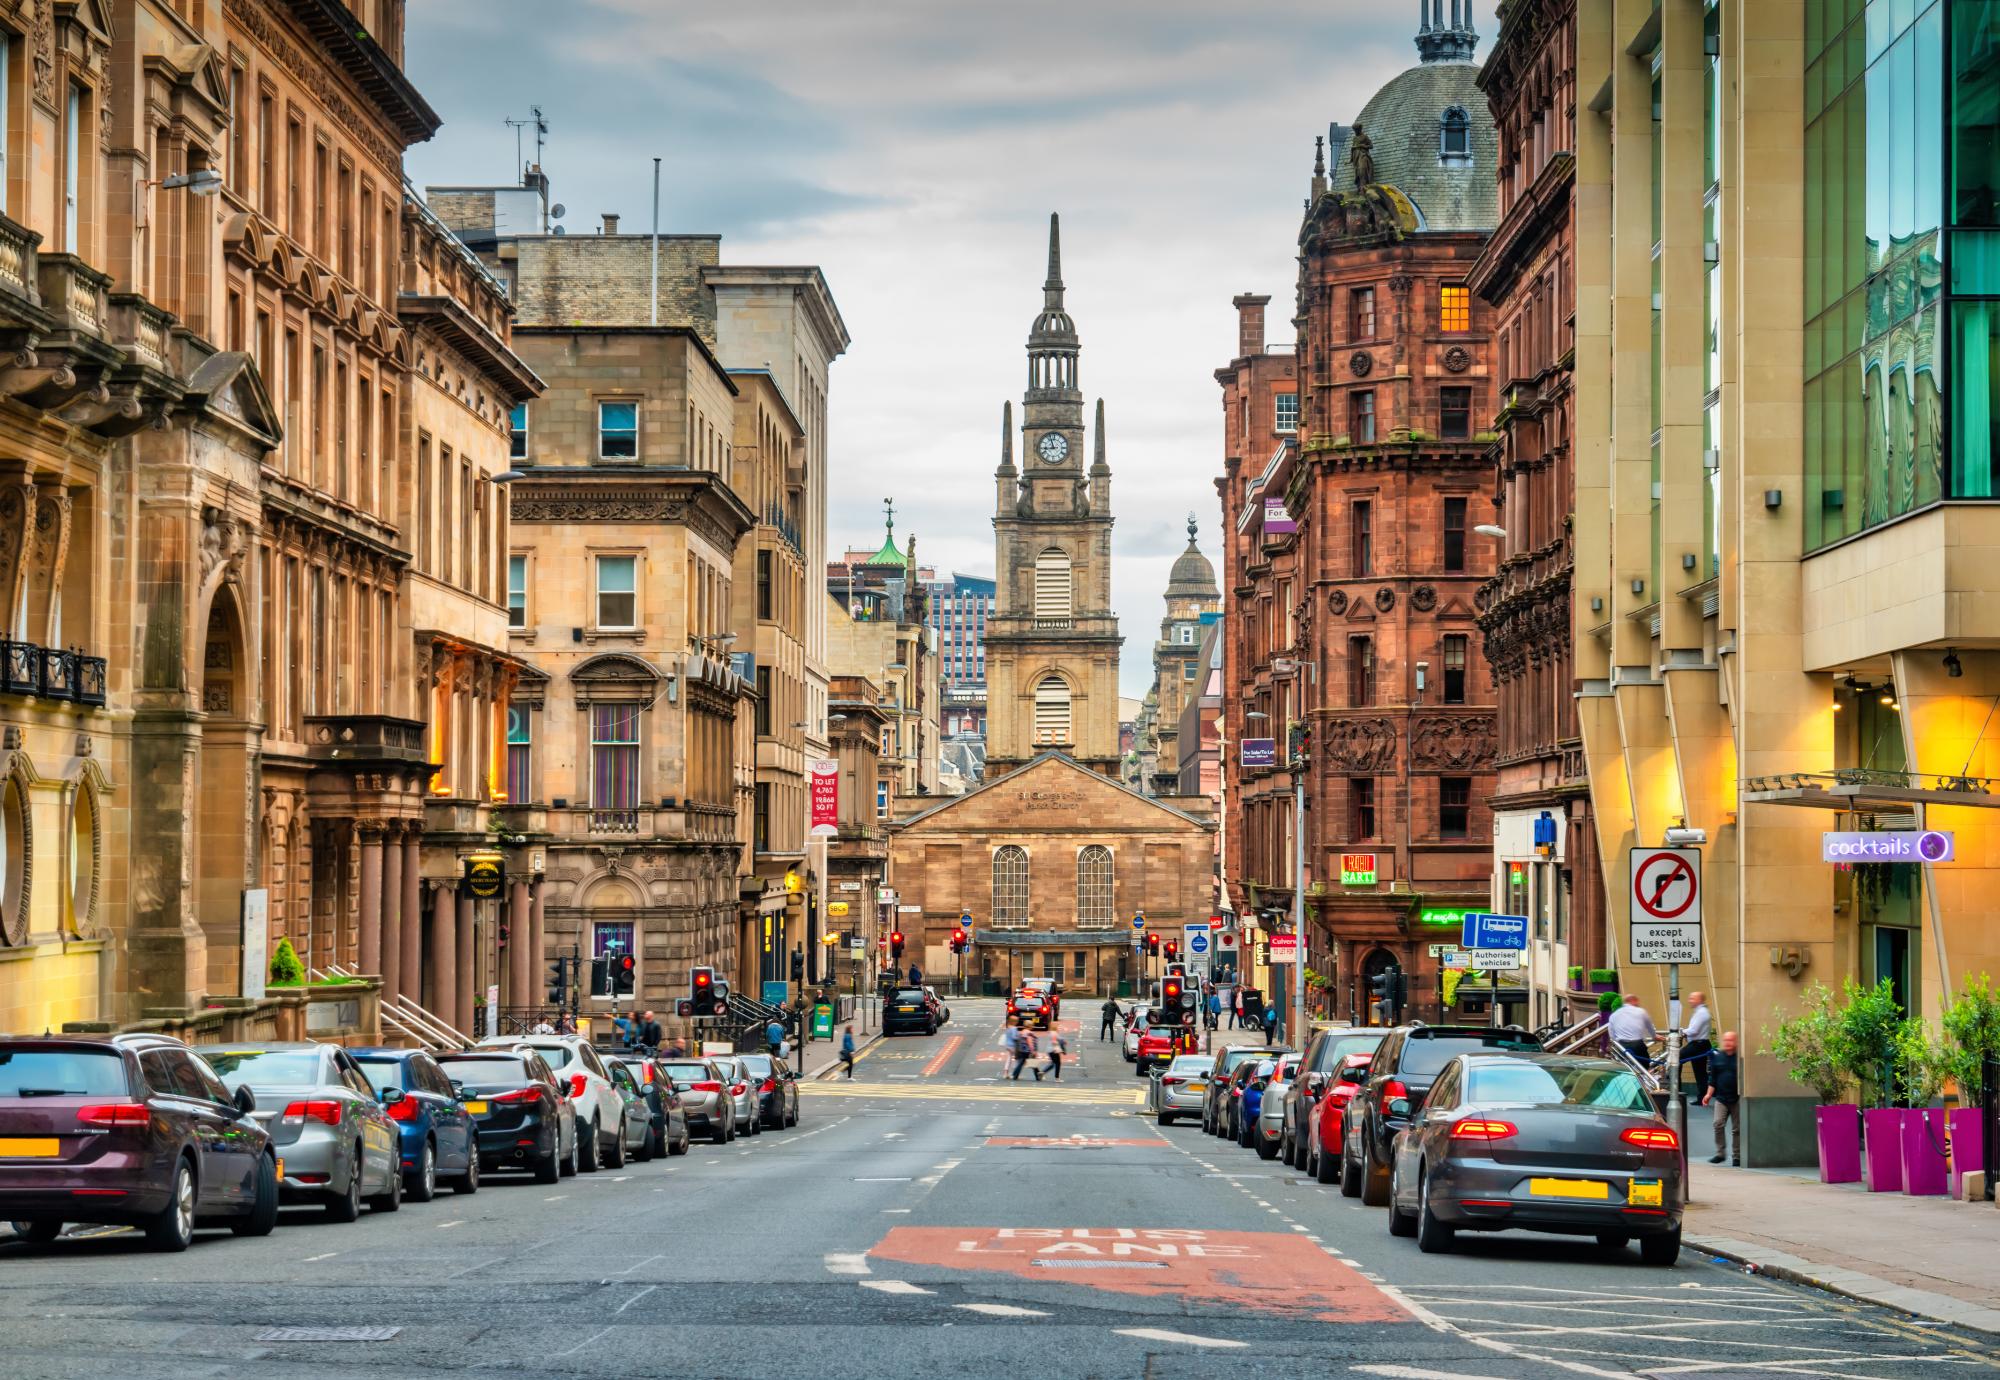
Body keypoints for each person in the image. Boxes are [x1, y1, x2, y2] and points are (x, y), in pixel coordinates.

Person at [1703, 1030, 1741, 1165]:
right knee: (1718, 1124)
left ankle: (1737, 1156)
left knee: (1737, 1129)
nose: (1728, 1043)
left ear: (1736, 1042)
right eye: (1726, 1040)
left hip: (1737, 1099)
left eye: (1731, 1040)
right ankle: (1720, 1153)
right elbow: (1713, 1079)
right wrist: (1708, 1094)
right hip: (1721, 1098)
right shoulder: (1718, 1057)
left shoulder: (1740, 1058)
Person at [1680, 991, 1714, 1099]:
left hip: (1698, 1045)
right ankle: (1702, 1097)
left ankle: (1676, 1092)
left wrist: (1681, 1031)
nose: (1689, 1000)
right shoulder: (1700, 1011)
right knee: (1700, 1072)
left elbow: (1694, 1030)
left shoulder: (1702, 1012)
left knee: (1675, 1059)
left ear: (1699, 1000)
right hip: (1700, 1044)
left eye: (1692, 998)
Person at [1607, 996, 1657, 1067]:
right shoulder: (1641, 1011)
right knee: (1644, 1065)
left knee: (1624, 1066)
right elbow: (1650, 1027)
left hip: (1622, 1045)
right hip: (1638, 1045)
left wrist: (1618, 1042)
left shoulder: (1614, 1014)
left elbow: (1611, 1034)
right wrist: (1654, 1036)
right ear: (1633, 1001)